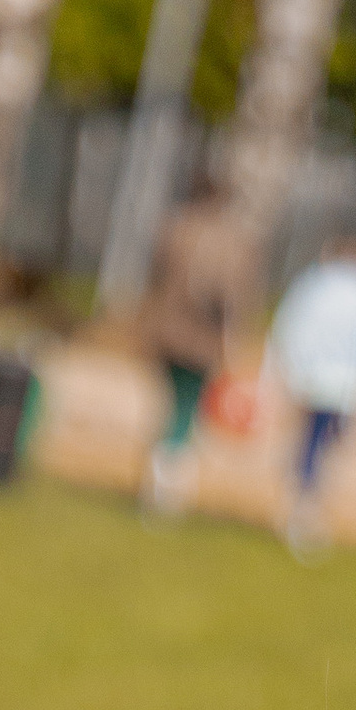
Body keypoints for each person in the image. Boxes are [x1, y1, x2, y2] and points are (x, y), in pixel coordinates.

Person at [264, 235, 356, 556]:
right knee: (320, 441)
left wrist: (285, 368)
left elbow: (292, 327)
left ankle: (304, 491)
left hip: (319, 377)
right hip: (344, 382)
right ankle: (305, 503)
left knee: (316, 439)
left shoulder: (320, 283)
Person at [135, 190, 250, 517]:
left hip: (166, 331)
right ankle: (167, 486)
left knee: (172, 405)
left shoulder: (177, 228)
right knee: (186, 408)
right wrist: (232, 339)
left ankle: (157, 476)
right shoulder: (229, 241)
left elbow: (155, 278)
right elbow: (226, 295)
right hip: (200, 338)